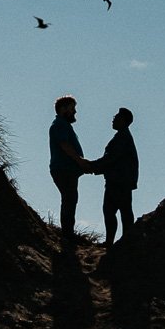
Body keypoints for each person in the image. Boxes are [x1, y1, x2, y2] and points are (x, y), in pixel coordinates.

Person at [86, 106, 139, 247]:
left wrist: (91, 166)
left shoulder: (122, 138)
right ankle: (118, 241)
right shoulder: (122, 137)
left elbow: (110, 159)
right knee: (116, 210)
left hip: (119, 181)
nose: (113, 119)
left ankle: (121, 242)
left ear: (124, 121)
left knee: (117, 211)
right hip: (118, 180)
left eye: (117, 117)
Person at [48, 95, 95, 247]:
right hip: (63, 169)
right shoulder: (60, 125)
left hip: (67, 170)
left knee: (70, 199)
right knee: (69, 199)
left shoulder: (64, 125)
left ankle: (68, 234)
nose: (74, 112)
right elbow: (65, 145)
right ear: (63, 109)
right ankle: (67, 235)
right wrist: (80, 161)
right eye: (72, 108)